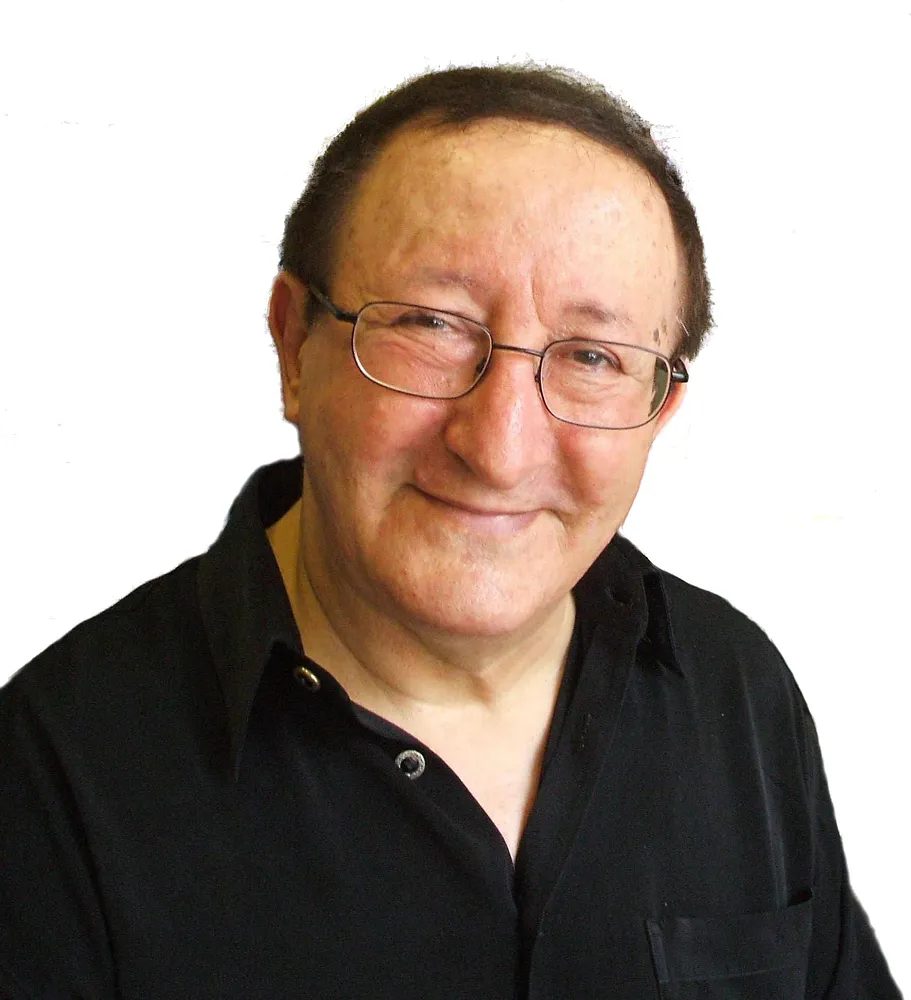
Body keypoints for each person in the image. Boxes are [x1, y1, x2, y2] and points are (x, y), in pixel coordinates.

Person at [0, 64, 901, 1000]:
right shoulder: (55, 772)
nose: (499, 450)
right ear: (293, 345)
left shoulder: (734, 690)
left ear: (657, 410)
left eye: (592, 357)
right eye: (432, 325)